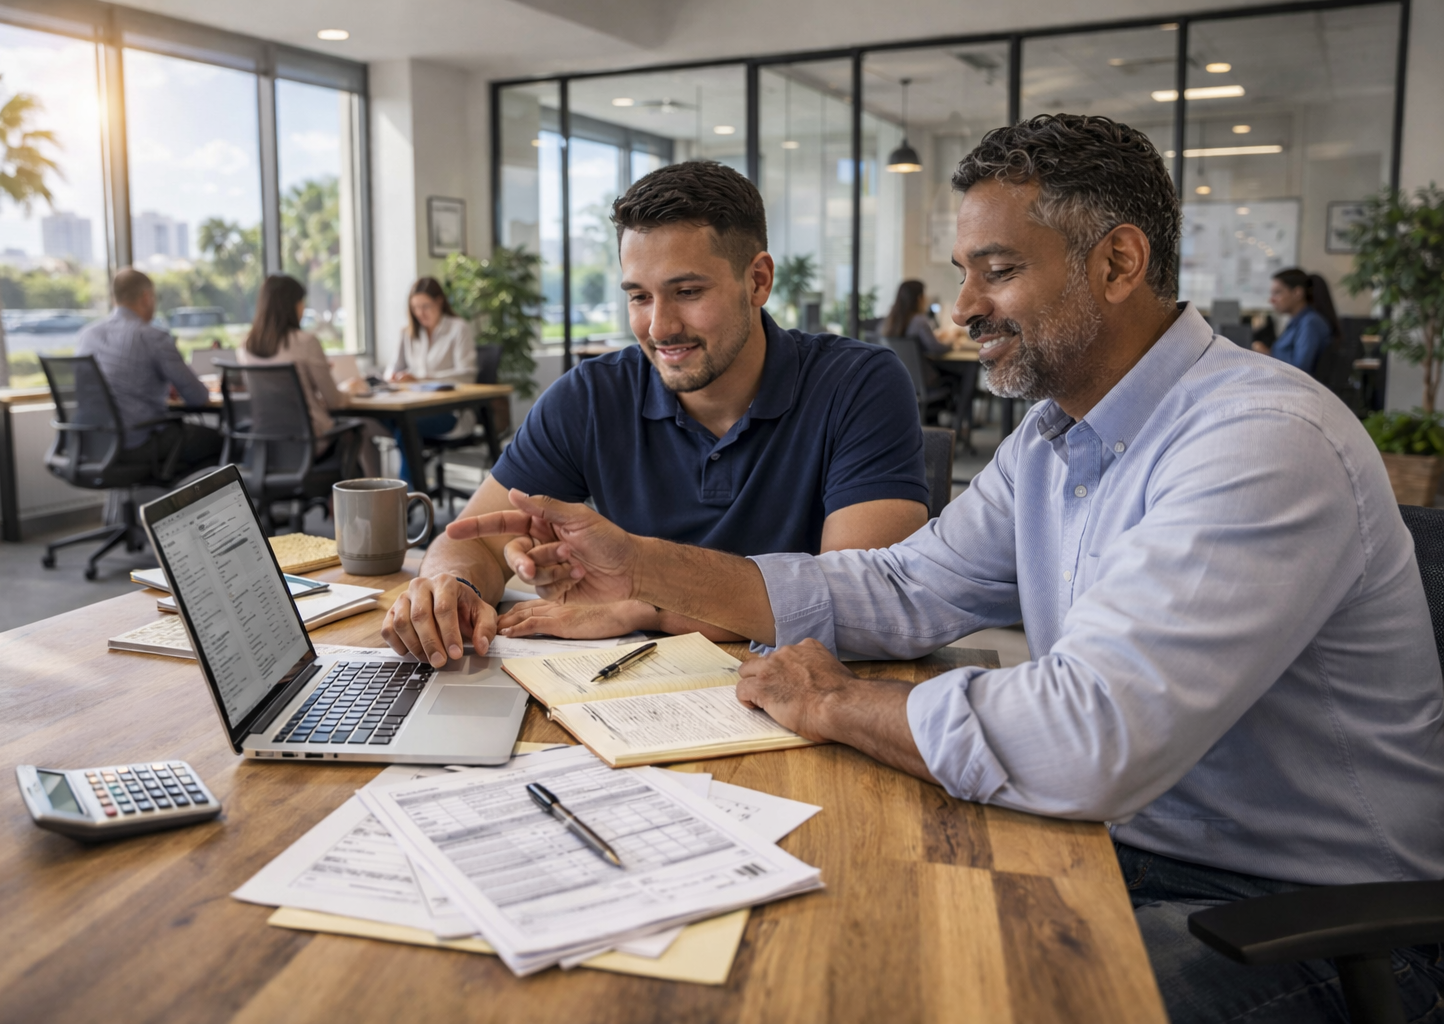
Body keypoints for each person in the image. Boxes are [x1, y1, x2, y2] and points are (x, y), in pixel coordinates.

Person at [444, 116, 1444, 1024]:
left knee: (948, 993)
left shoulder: (1258, 439)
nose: (962, 309)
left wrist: (841, 704)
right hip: (1127, 844)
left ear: (1119, 263)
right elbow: (902, 586)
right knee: (837, 932)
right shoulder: (1056, 438)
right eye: (963, 271)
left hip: (1316, 917)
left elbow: (1088, 736)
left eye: (996, 270)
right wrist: (641, 569)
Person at [380, 159, 930, 658]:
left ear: (757, 280)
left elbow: (869, 602)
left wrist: (643, 604)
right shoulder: (591, 395)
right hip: (636, 694)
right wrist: (453, 588)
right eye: (639, 296)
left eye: (687, 291)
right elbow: (476, 539)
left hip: (806, 688)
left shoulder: (860, 383)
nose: (659, 327)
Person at [74, 268, 219, 474]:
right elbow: (197, 396)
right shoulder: (152, 336)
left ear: (115, 298)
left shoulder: (86, 335)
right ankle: (181, 504)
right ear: (146, 297)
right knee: (222, 442)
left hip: (93, 443)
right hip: (138, 442)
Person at [238, 274, 383, 476]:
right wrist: (348, 389)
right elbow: (334, 401)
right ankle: (369, 501)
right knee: (361, 429)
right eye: (302, 303)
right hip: (310, 443)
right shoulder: (305, 342)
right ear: (292, 305)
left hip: (267, 446)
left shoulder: (246, 346)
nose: (303, 309)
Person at [386, 276, 478, 440]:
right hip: (412, 405)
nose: (420, 313)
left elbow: (466, 375)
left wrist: (421, 380)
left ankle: (411, 466)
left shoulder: (458, 329)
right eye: (415, 308)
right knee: (367, 424)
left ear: (439, 302)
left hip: (448, 412)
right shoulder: (407, 333)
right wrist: (394, 377)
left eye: (425, 306)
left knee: (405, 429)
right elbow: (393, 369)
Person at [1254, 267, 1341, 375]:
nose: (1271, 300)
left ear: (1297, 293)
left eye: (1277, 293)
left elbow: (1300, 370)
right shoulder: (1297, 322)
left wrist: (1268, 354)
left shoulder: (1310, 323)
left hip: (1296, 388)